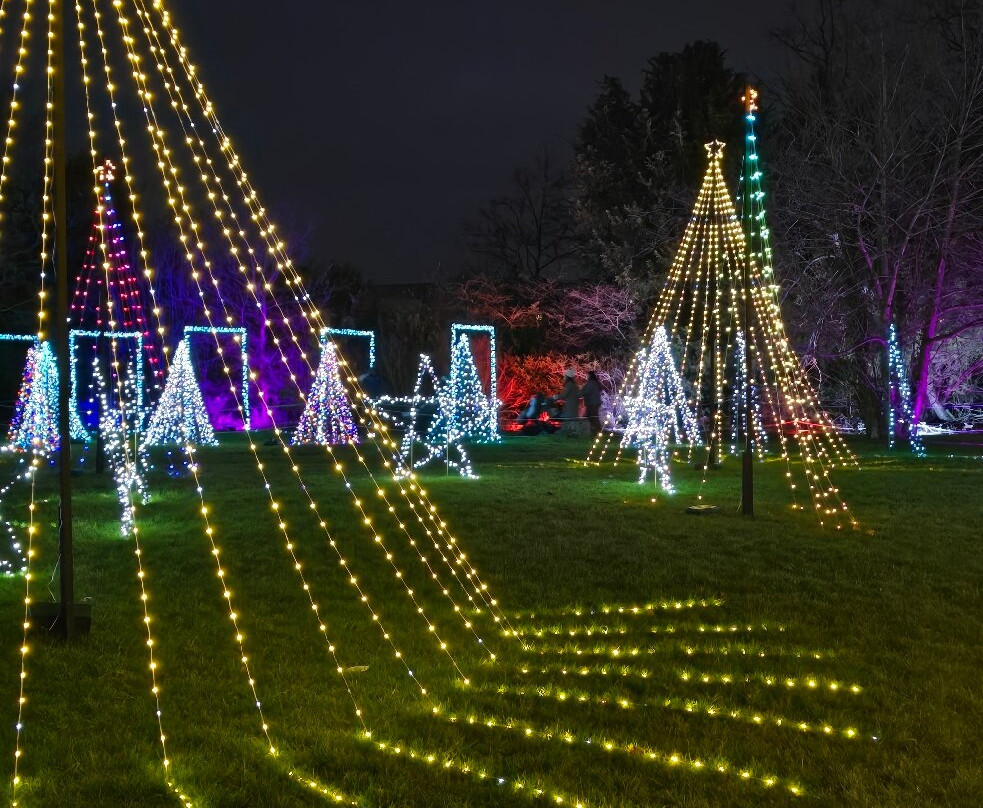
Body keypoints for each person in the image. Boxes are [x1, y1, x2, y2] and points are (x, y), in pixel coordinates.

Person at [556, 369, 581, 437]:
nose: (564, 377)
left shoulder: (569, 385)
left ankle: (571, 433)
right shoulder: (574, 385)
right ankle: (573, 433)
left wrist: (555, 397)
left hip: (570, 405)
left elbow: (564, 395)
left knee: (569, 418)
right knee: (573, 419)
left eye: (565, 376)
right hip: (574, 404)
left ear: (567, 377)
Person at [581, 370, 603, 435]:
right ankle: (595, 430)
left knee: (593, 417)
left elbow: (584, 391)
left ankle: (597, 431)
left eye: (587, 375)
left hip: (592, 403)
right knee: (593, 416)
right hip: (595, 403)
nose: (586, 376)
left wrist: (579, 393)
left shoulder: (591, 383)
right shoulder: (595, 383)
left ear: (590, 376)